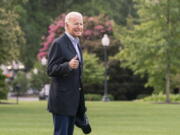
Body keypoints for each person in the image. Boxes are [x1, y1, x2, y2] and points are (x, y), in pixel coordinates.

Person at [47, 11, 87, 135]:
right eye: (76, 24)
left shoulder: (76, 43)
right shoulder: (58, 43)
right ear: (66, 25)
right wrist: (67, 65)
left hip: (73, 101)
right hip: (61, 101)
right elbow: (50, 69)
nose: (79, 27)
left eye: (81, 24)